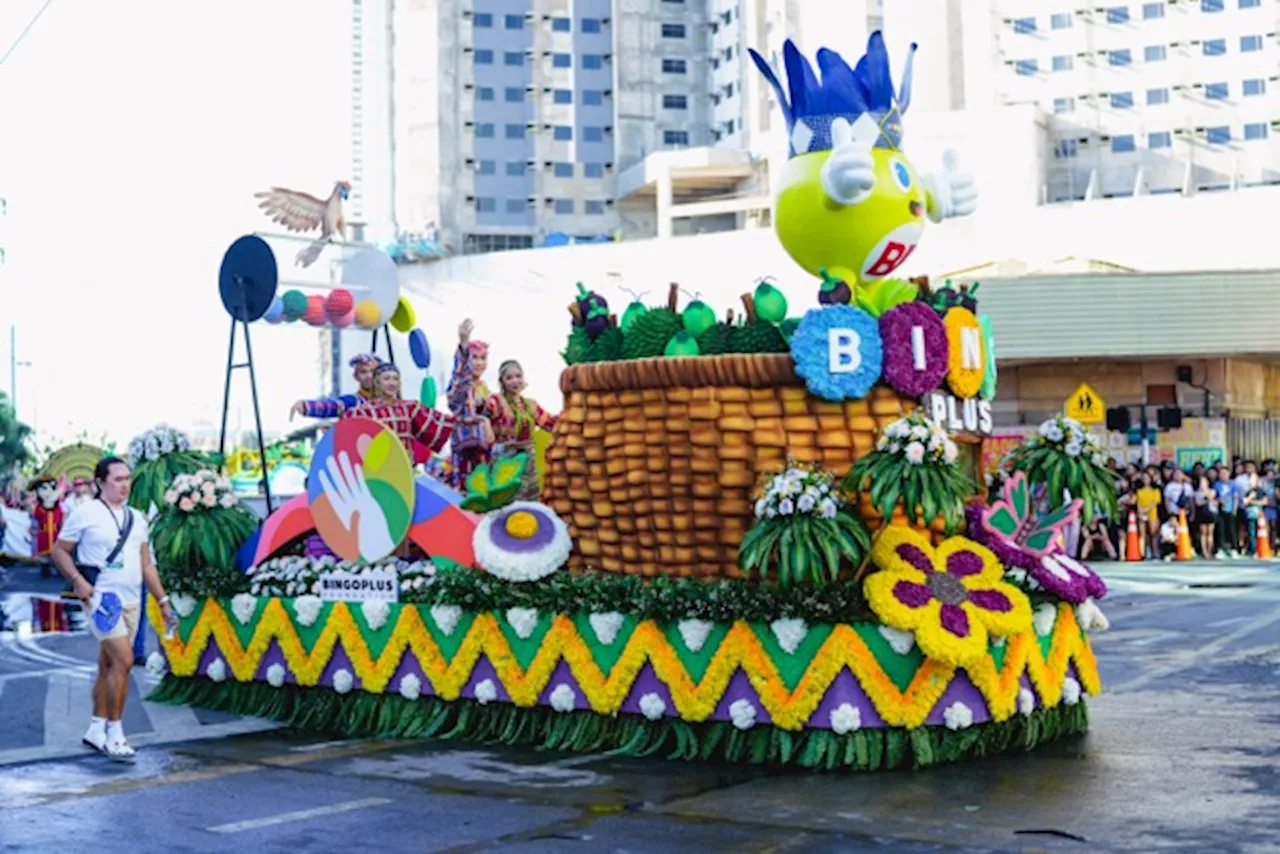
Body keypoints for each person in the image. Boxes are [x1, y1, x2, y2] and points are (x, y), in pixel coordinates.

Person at [51, 457, 176, 762]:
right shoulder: (86, 513)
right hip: (101, 600)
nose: (125, 484)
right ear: (100, 483)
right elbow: (59, 551)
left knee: (108, 664)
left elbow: (146, 564)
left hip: (133, 599)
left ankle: (96, 728)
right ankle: (116, 733)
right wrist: (78, 581)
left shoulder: (138, 518)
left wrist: (163, 601)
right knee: (124, 659)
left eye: (127, 478)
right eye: (117, 479)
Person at [347, 363, 457, 459]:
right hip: (375, 472)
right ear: (377, 382)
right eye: (386, 379)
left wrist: (463, 420)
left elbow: (438, 424)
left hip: (404, 471)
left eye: (395, 379)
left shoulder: (409, 408)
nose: (392, 383)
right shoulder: (363, 413)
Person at [487, 359, 559, 500]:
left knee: (530, 499)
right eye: (509, 378)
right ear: (502, 382)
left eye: (518, 376)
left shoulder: (530, 404)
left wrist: (571, 413)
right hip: (505, 460)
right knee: (508, 501)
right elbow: (484, 409)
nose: (515, 381)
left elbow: (549, 423)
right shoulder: (497, 401)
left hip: (527, 461)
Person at [446, 319, 494, 489]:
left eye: (483, 358)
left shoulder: (485, 388)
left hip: (486, 455)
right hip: (467, 453)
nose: (479, 363)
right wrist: (463, 345)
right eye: (474, 358)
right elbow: (459, 378)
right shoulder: (461, 386)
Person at [291, 353, 382, 420]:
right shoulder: (352, 402)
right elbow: (332, 406)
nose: (369, 376)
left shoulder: (392, 399)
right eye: (363, 372)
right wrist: (306, 406)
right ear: (355, 376)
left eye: (373, 371)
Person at [1135, 473, 1162, 559]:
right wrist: (1141, 512)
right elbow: (1138, 503)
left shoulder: (1155, 491)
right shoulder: (1139, 491)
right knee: (1143, 534)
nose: (1145, 479)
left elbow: (1155, 503)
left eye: (1147, 478)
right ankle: (1144, 552)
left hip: (1152, 514)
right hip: (1141, 514)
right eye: (1144, 478)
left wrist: (1145, 510)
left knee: (1153, 534)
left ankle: (1155, 552)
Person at [1194, 471, 1217, 559]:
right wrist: (1205, 498)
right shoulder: (1197, 493)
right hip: (1202, 513)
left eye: (1204, 482)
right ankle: (1204, 552)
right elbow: (1198, 503)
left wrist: (1206, 496)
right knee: (1203, 533)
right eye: (1201, 482)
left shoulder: (1212, 491)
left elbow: (1212, 498)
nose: (1202, 484)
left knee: (1210, 533)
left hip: (1211, 513)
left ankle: (1210, 550)